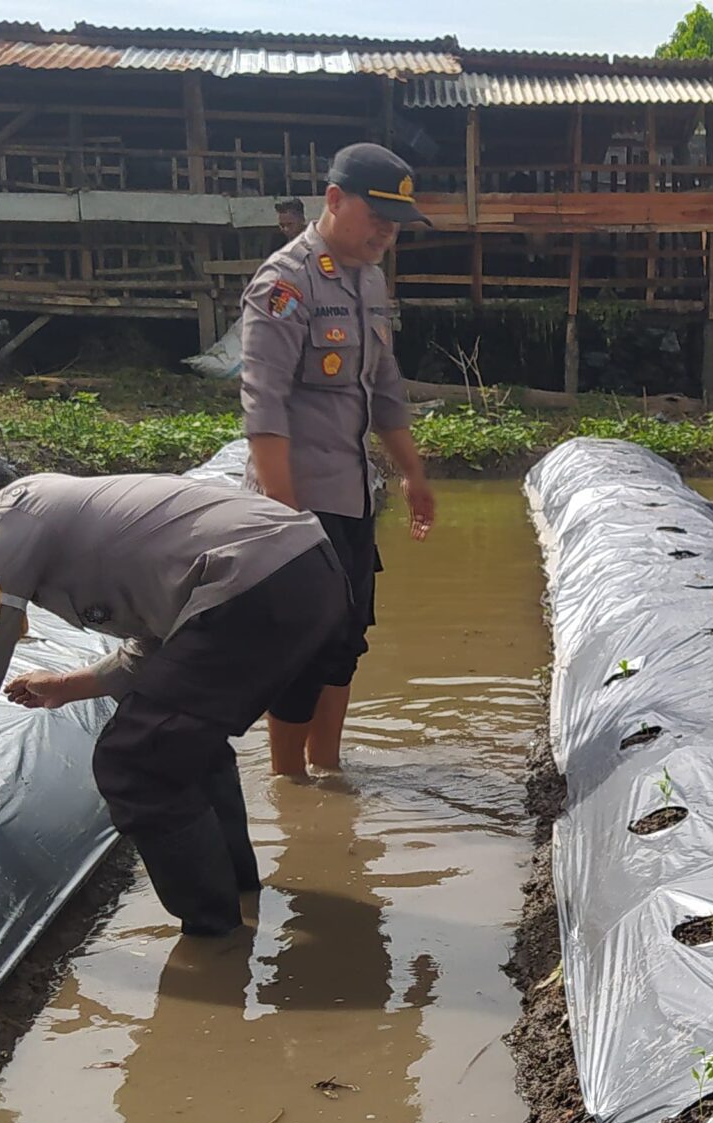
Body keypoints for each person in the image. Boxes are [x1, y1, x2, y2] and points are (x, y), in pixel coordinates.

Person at [0, 454, 349, 938]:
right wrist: (71, 686)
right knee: (185, 742)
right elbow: (168, 634)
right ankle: (237, 894)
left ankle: (214, 936)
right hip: (312, 568)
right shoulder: (61, 508)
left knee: (135, 760)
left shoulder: (1, 524)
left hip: (255, 581)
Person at [240, 142, 438, 778]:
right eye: (376, 214)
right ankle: (288, 782)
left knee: (346, 640)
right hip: (296, 501)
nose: (387, 231)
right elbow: (264, 406)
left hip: (351, 497)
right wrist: (283, 519)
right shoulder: (284, 284)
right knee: (300, 645)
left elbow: (383, 386)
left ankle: (327, 770)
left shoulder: (368, 280)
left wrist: (412, 472)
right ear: (333, 199)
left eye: (396, 221)